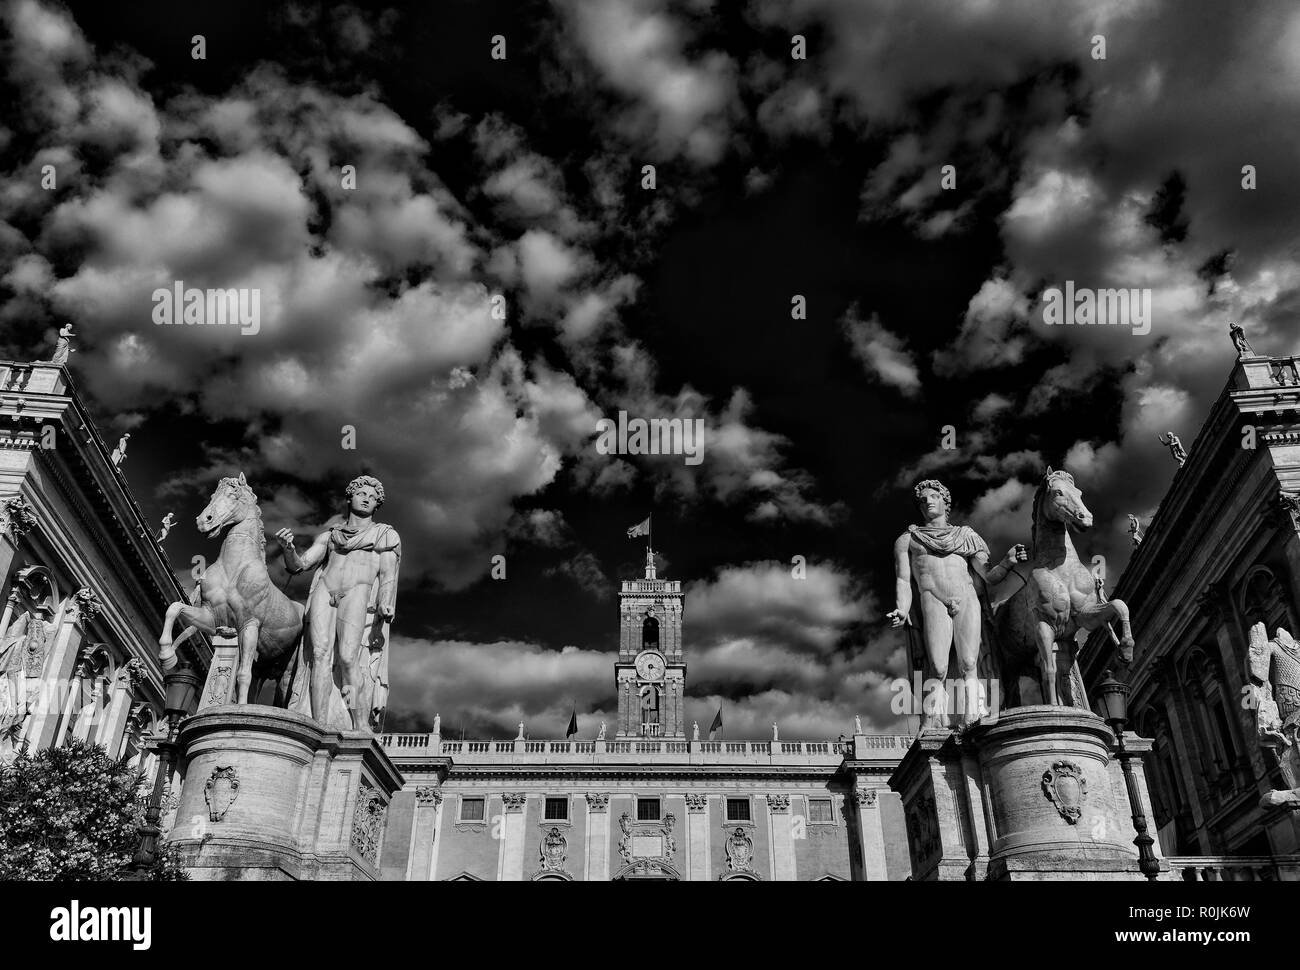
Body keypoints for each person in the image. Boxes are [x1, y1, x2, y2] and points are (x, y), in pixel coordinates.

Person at [887, 480, 1025, 728]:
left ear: (945, 501)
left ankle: (975, 717)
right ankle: (932, 722)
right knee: (938, 667)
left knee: (970, 663)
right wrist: (902, 608)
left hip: (966, 597)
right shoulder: (908, 540)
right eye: (922, 500)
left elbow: (988, 576)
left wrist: (1007, 562)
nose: (928, 501)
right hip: (933, 600)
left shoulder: (966, 536)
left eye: (933, 496)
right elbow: (903, 580)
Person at [278, 475, 400, 732]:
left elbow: (388, 573)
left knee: (347, 658)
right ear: (350, 497)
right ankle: (317, 725)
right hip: (326, 590)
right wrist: (288, 548)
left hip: (357, 592)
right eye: (362, 493)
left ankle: (358, 722)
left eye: (373, 497)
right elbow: (299, 565)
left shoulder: (384, 535)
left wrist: (385, 602)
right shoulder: (330, 536)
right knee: (319, 656)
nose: (367, 499)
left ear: (377, 504)